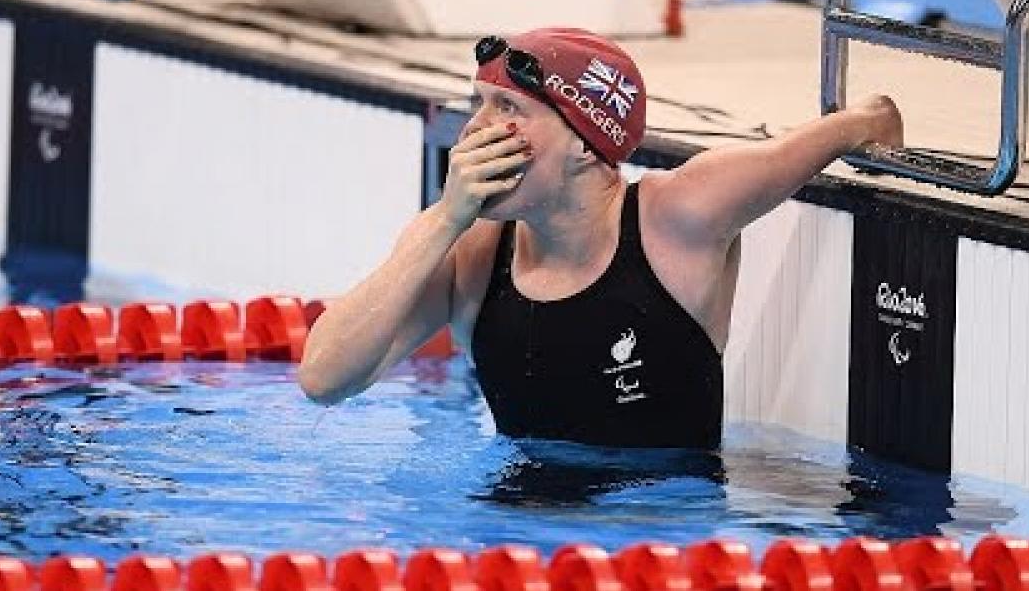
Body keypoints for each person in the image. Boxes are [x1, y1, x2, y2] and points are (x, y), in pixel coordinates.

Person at [299, 27, 903, 449]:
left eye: (507, 109)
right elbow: (323, 380)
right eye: (477, 104)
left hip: (661, 544)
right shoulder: (469, 251)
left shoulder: (678, 217)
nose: (477, 131)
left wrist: (871, 123)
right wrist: (444, 220)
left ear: (588, 143)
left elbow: (819, 140)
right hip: (509, 547)